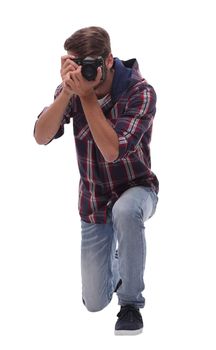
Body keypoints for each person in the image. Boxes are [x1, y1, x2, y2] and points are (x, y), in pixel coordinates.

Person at [34, 26, 159, 336]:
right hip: (94, 200)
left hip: (136, 188)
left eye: (91, 64)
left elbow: (112, 151)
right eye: (79, 65)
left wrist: (86, 97)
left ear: (109, 60)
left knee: (126, 212)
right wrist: (67, 92)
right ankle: (122, 258)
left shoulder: (139, 91)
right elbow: (41, 136)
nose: (85, 73)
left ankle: (130, 303)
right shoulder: (72, 90)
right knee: (93, 302)